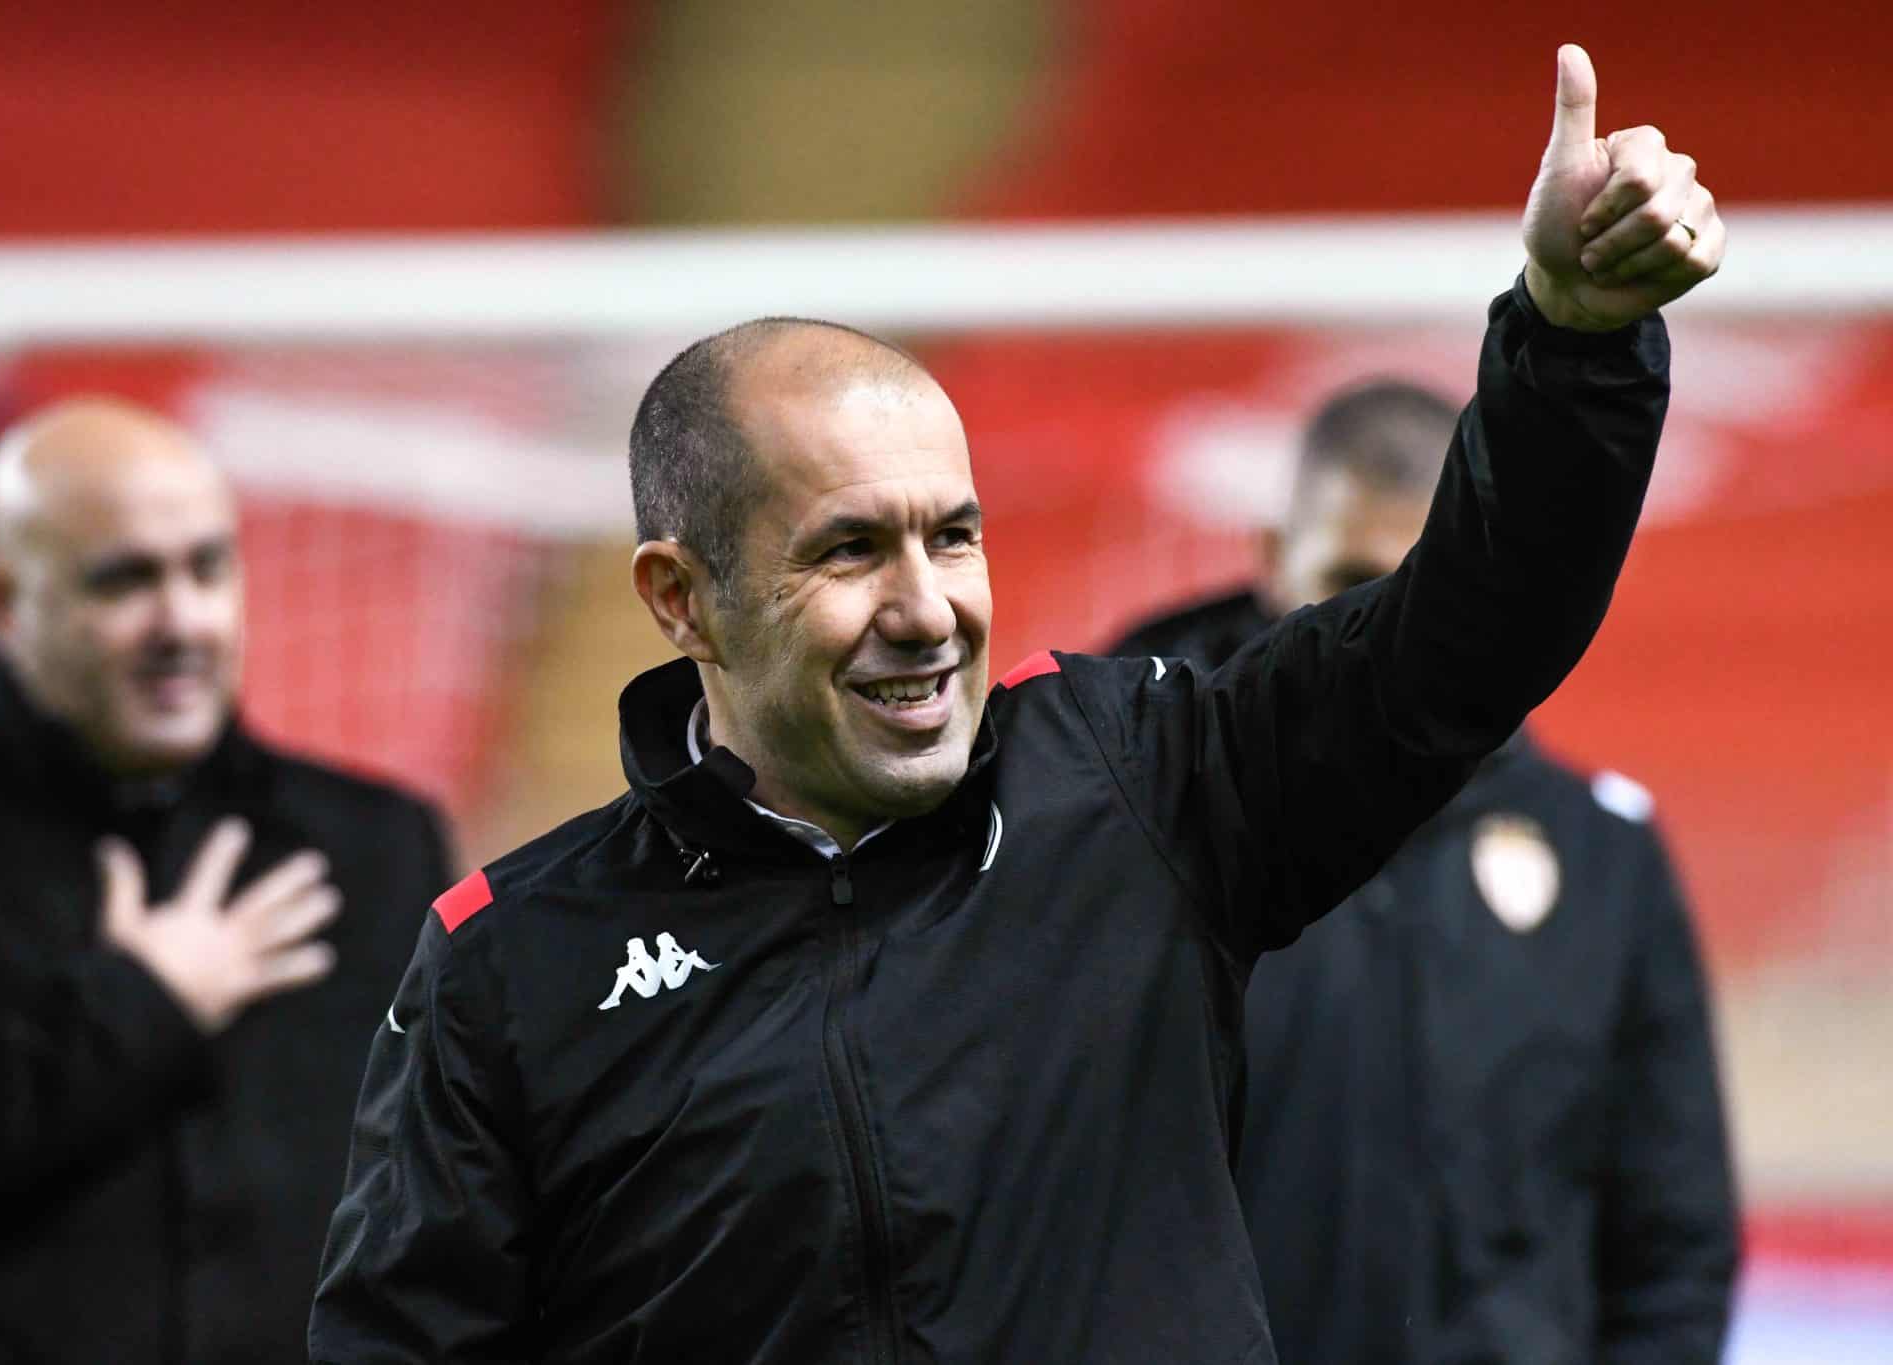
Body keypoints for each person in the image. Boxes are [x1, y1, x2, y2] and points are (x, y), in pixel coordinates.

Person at [311, 46, 1725, 1364]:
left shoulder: (1140, 790)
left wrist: (1572, 342)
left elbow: (1466, 636)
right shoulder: (516, 967)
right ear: (682, 599)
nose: (928, 608)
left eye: (954, 536)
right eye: (849, 551)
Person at [1110, 377, 1739, 1363]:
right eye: (1350, 579)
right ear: (1272, 559)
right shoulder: (1129, 813)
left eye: (1424, 586)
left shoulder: (1601, 856)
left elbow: (1673, 1245)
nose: (1388, 631)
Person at [0, 400, 453, 1363]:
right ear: (4, 604)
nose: (182, 621)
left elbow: (444, 1183)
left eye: (208, 568)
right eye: (124, 579)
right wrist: (134, 1010)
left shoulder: (375, 843)